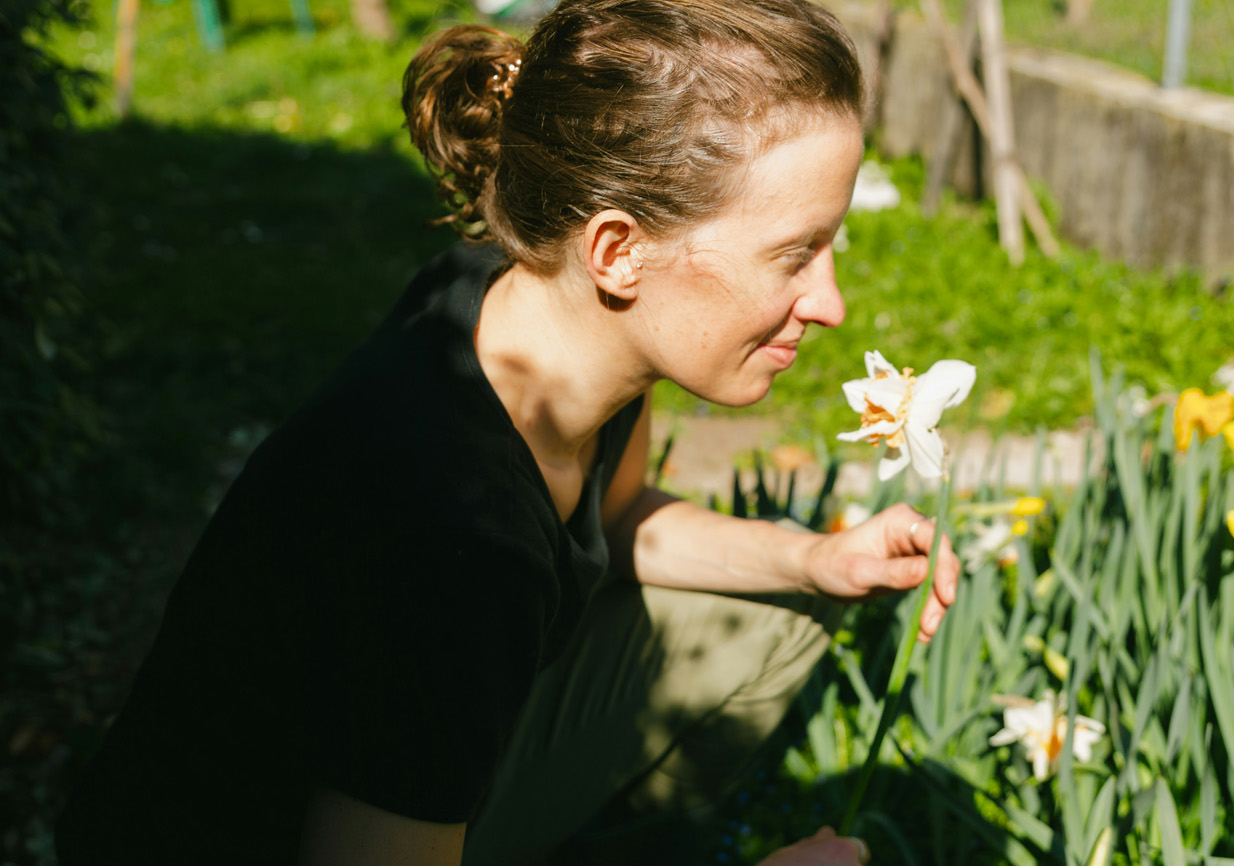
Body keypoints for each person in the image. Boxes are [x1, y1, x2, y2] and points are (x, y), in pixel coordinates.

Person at [55, 1, 961, 863]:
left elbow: (614, 514)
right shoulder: (449, 539)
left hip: (382, 770)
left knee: (776, 619)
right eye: (795, 254)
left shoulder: (539, 313)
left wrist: (813, 562)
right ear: (616, 252)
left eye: (834, 245)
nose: (833, 305)